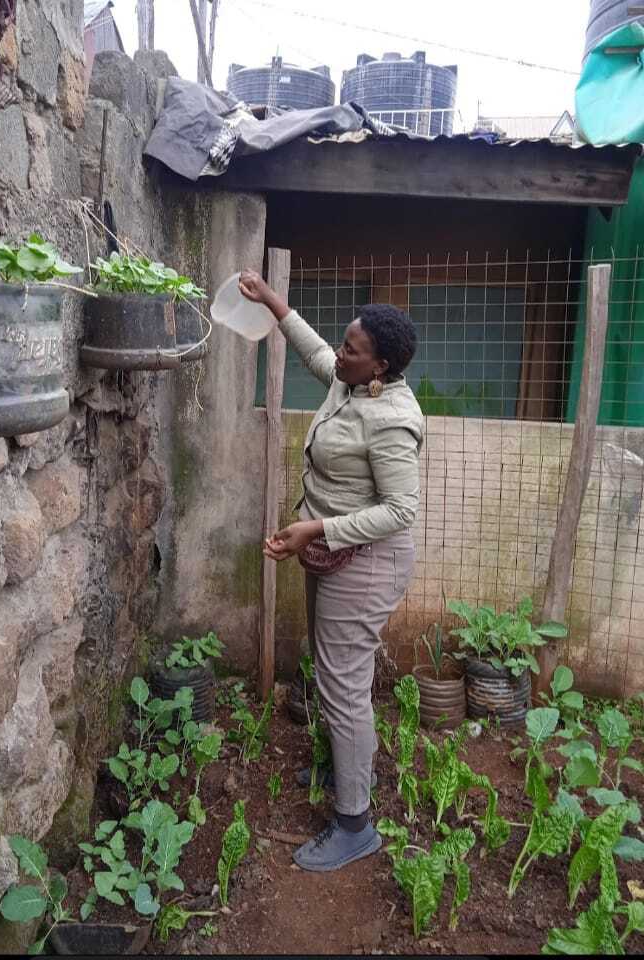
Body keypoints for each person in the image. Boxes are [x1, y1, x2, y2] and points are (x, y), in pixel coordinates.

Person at [238, 269, 424, 872]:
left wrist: (315, 529)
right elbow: (316, 352)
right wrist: (272, 301)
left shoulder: (391, 418)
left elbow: (401, 510)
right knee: (335, 674)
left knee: (343, 686)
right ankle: (345, 767)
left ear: (381, 365)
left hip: (366, 563)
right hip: (334, 553)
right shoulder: (349, 384)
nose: (339, 354)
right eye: (344, 342)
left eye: (352, 349)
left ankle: (354, 824)